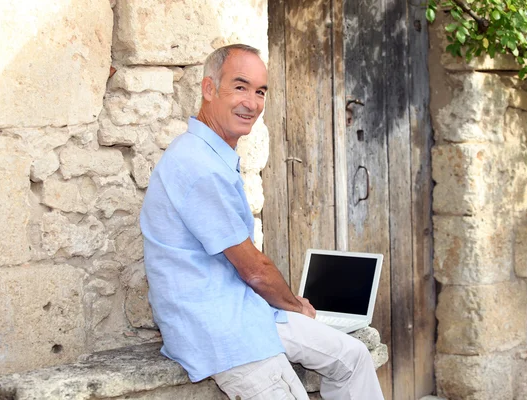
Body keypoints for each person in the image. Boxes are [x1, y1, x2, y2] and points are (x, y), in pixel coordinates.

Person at [140, 44, 384, 400]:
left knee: (353, 357)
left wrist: (289, 307)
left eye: (260, 91)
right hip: (222, 330)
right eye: (240, 87)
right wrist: (296, 305)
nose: (252, 103)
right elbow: (253, 270)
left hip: (249, 311)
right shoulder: (197, 165)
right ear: (209, 89)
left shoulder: (213, 155)